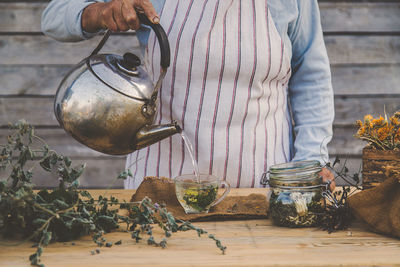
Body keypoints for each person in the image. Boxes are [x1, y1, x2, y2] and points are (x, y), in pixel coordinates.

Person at [42, 0, 335, 190]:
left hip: (262, 189)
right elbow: (53, 16)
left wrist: (311, 160)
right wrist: (100, 11)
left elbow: (311, 75)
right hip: (159, 187)